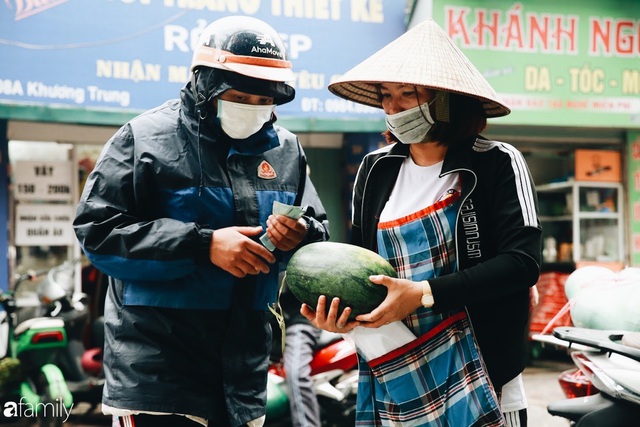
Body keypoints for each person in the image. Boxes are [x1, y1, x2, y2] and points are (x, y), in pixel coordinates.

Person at [73, 15, 329, 427]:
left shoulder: (286, 151)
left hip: (245, 380)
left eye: (264, 100)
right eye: (241, 97)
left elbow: (317, 228)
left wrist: (300, 234)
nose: (253, 108)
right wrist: (202, 245)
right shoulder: (144, 138)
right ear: (206, 84)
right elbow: (98, 233)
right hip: (158, 380)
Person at [301, 19, 541, 427]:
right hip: (393, 360)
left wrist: (424, 293)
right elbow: (362, 268)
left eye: (407, 94)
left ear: (446, 101)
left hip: (482, 367)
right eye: (386, 96)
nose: (392, 108)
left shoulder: (497, 162)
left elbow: (522, 263)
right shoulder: (374, 169)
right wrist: (341, 315)